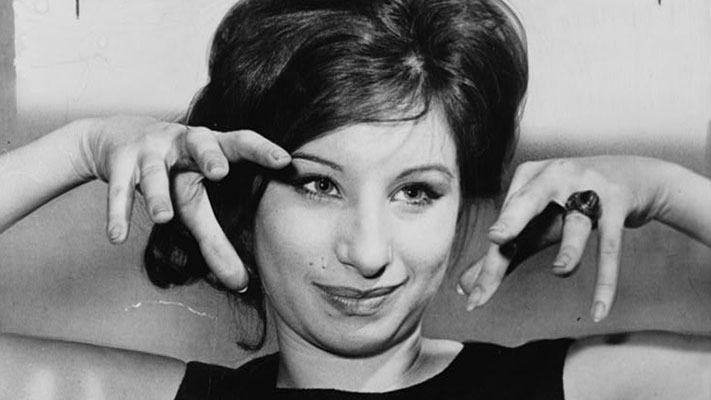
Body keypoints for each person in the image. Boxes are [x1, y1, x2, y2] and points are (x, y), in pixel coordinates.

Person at [1, 0, 710, 399]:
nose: (368, 252)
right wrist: (80, 147)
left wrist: (667, 189)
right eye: (318, 185)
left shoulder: (562, 390)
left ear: (464, 211)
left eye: (416, 192)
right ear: (241, 207)